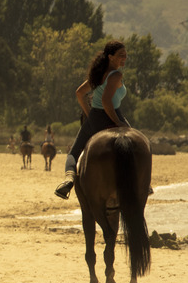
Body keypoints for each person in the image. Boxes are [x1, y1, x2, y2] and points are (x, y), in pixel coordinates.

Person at [54, 40, 131, 199]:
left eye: (125, 55)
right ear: (110, 57)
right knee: (136, 146)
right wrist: (118, 122)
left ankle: (69, 179)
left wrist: (89, 114)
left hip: (95, 118)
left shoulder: (97, 75)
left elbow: (79, 93)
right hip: (113, 114)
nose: (124, 58)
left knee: (74, 154)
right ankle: (140, 182)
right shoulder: (116, 75)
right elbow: (106, 101)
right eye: (120, 55)